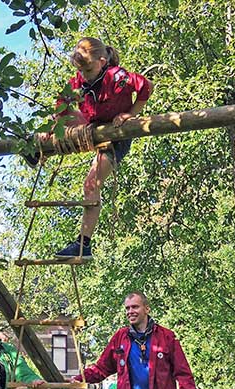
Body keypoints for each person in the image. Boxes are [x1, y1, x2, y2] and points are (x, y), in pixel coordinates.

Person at [51, 37, 153, 260]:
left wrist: (131, 113)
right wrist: (62, 119)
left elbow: (146, 86)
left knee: (90, 185)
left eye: (88, 69)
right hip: (93, 126)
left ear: (102, 60)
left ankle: (83, 244)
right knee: (58, 112)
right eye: (81, 70)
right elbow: (63, 102)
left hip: (115, 136)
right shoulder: (80, 79)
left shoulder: (117, 76)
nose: (85, 75)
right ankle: (36, 149)